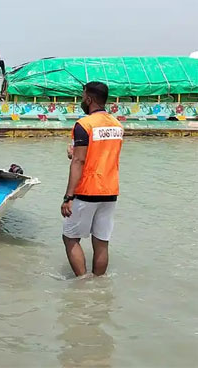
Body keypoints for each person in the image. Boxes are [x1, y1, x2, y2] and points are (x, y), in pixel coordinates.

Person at [61, 81, 123, 277]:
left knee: (70, 238)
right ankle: (99, 284)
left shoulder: (84, 125)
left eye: (83, 95)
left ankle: (82, 282)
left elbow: (79, 161)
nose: (81, 99)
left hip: (87, 191)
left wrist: (68, 197)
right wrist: (76, 154)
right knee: (101, 241)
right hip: (110, 191)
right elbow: (101, 153)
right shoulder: (117, 125)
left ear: (89, 99)